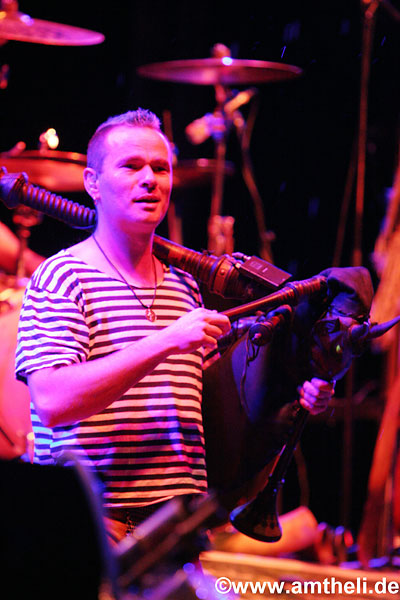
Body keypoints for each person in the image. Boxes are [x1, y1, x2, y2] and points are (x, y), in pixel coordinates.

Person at [15, 108, 334, 543]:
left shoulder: (184, 285)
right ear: (93, 183)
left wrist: (294, 396)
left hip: (177, 526)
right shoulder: (63, 275)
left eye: (160, 168)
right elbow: (53, 400)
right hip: (91, 526)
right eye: (131, 166)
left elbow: (219, 406)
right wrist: (165, 341)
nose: (150, 179)